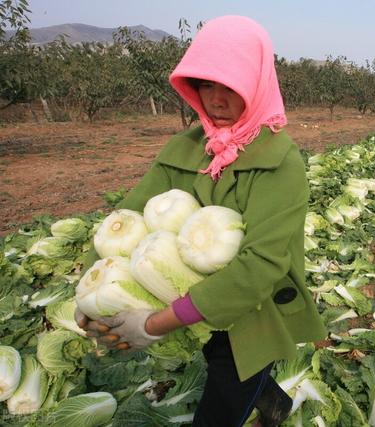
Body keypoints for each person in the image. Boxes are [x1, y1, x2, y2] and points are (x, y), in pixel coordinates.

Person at [75, 15, 327, 427]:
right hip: (194, 298)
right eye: (206, 85)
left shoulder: (282, 164)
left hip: (254, 309)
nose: (216, 100)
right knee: (216, 355)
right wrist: (90, 291)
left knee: (226, 392)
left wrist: (155, 324)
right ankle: (272, 401)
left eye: (231, 86)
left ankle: (256, 395)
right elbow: (129, 214)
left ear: (258, 85)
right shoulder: (187, 147)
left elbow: (259, 267)